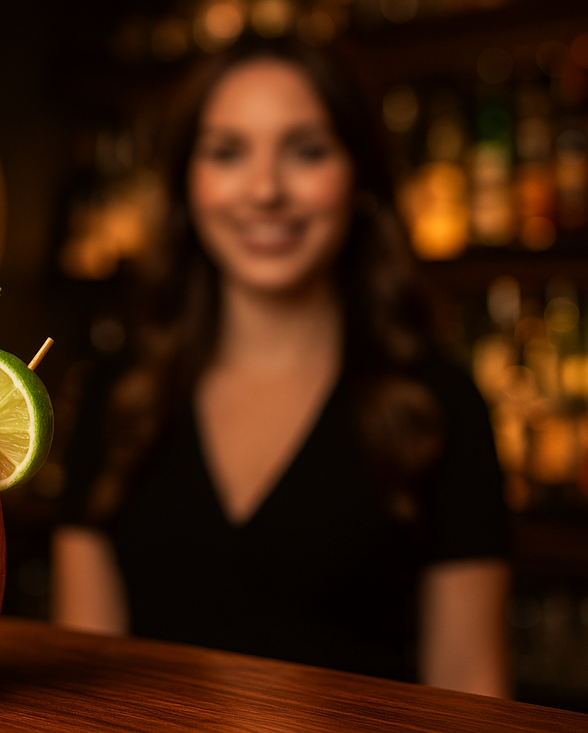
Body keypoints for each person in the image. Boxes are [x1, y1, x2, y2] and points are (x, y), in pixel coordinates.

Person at [51, 33, 512, 698]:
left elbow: (473, 690)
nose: (265, 190)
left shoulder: (440, 406)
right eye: (227, 152)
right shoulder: (119, 399)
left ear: (361, 180)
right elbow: (88, 689)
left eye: (307, 151)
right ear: (187, 182)